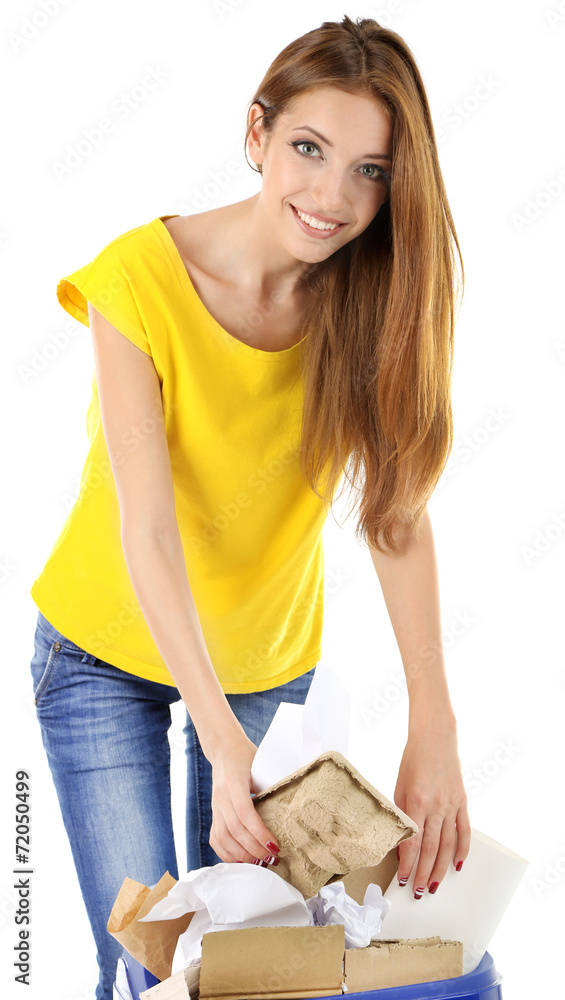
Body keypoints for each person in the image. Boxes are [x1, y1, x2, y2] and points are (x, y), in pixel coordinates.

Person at [29, 14, 471, 1000]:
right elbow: (145, 527)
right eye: (309, 149)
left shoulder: (367, 301)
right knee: (152, 964)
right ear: (255, 133)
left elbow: (395, 515)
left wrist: (432, 726)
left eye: (370, 171)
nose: (332, 196)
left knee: (267, 969)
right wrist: (220, 743)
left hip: (269, 666)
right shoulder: (137, 281)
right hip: (102, 655)